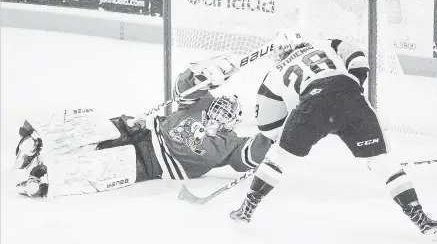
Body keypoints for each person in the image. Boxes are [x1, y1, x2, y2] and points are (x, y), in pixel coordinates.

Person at [230, 30, 437, 240]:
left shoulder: (274, 74)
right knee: (384, 164)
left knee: (279, 159)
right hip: (351, 98)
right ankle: (422, 220)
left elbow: (267, 126)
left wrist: (285, 134)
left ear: (279, 52)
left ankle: (246, 209)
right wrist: (350, 87)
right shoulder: (326, 43)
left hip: (311, 105)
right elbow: (358, 58)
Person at [13, 55, 273, 198]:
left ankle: (44, 179)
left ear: (233, 124)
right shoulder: (203, 101)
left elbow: (249, 155)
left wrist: (277, 134)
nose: (219, 114)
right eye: (220, 106)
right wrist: (204, 74)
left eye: (226, 115)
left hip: (154, 164)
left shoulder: (231, 144)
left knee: (108, 165)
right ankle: (38, 141)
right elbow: (184, 87)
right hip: (146, 129)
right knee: (107, 126)